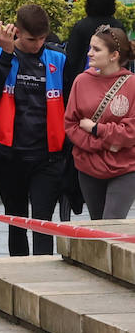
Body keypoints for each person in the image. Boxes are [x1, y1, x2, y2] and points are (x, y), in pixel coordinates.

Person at [0, 5, 67, 255]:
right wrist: (7, 55)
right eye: (32, 39)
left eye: (42, 38)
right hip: (9, 155)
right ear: (17, 32)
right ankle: (19, 281)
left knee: (43, 222)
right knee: (16, 221)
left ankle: (44, 283)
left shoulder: (57, 57)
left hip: (47, 156)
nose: (37, 44)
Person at [66, 25, 135, 219]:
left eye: (96, 49)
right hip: (88, 167)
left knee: (111, 223)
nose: (89, 53)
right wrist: (102, 143)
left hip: (125, 168)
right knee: (97, 226)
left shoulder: (132, 84)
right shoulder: (81, 81)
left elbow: (131, 131)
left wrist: (96, 128)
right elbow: (71, 124)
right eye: (90, 47)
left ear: (114, 55)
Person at [64, 0, 121, 94]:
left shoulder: (81, 27)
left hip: (84, 88)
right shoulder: (118, 26)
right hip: (114, 87)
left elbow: (72, 61)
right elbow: (123, 60)